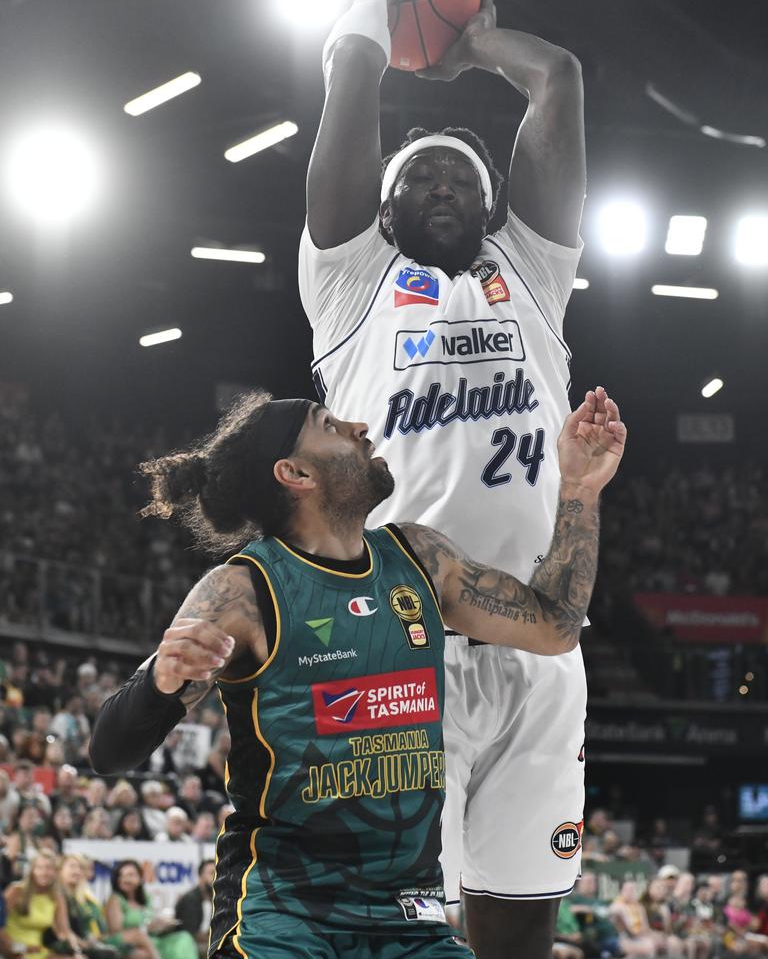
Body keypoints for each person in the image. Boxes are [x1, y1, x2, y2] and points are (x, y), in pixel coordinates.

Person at [89, 387, 625, 958]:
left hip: (408, 922)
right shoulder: (241, 591)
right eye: (331, 424)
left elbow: (556, 627)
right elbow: (108, 752)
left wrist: (580, 490)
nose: (360, 427)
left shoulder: (420, 558)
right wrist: (159, 683)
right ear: (294, 472)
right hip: (285, 918)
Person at [299, 0, 587, 957]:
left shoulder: (534, 273)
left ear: (497, 207)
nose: (439, 184)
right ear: (380, 210)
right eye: (417, 174)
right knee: (392, 933)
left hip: (538, 640)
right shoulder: (351, 286)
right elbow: (350, 76)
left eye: (459, 175)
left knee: (519, 934)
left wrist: (478, 44)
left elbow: (559, 81)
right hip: (395, 645)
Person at [103, 862, 196, 959]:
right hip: (125, 942)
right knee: (141, 944)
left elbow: (149, 924)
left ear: (140, 878)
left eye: (130, 875)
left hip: (150, 939)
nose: (125, 879)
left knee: (183, 938)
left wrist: (159, 925)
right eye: (121, 875)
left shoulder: (146, 899)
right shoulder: (115, 899)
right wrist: (144, 930)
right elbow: (116, 931)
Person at [4, 849, 70, 957]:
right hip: (11, 949)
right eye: (39, 868)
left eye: (49, 868)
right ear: (32, 870)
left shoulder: (56, 897)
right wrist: (20, 948)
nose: (44, 873)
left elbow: (64, 932)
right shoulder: (16, 890)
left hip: (37, 950)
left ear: (56, 872)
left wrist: (76, 950)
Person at [174, 861, 214, 956]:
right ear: (201, 876)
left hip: (207, 941)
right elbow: (191, 933)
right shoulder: (190, 899)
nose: (216, 877)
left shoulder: (216, 899)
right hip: (187, 944)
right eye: (212, 873)